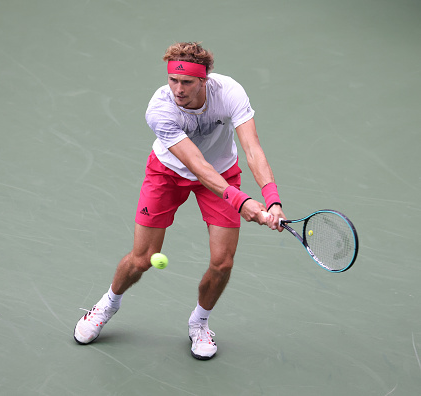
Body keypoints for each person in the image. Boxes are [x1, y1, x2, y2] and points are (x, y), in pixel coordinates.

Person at [73, 42, 286, 360]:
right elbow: (198, 166)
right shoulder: (159, 110)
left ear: (205, 80)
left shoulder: (229, 92)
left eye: (187, 82)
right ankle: (107, 304)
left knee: (223, 262)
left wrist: (272, 199)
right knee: (142, 258)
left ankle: (199, 323)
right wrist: (243, 203)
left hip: (223, 174)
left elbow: (252, 149)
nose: (178, 89)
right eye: (173, 80)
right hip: (167, 174)